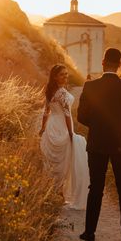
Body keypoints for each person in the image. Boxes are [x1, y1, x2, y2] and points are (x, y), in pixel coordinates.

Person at [77, 48, 121, 241]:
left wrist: (98, 125)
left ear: (103, 63)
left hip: (97, 143)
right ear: (119, 64)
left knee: (96, 187)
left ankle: (90, 232)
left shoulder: (90, 86)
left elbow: (81, 116)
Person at [39, 64, 89, 209]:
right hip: (61, 127)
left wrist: (43, 128)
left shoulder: (50, 90)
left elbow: (46, 112)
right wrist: (71, 133)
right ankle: (59, 193)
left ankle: (58, 193)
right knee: (64, 160)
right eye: (62, 74)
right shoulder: (60, 92)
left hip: (52, 126)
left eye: (66, 74)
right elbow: (66, 115)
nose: (65, 77)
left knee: (57, 161)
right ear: (55, 77)